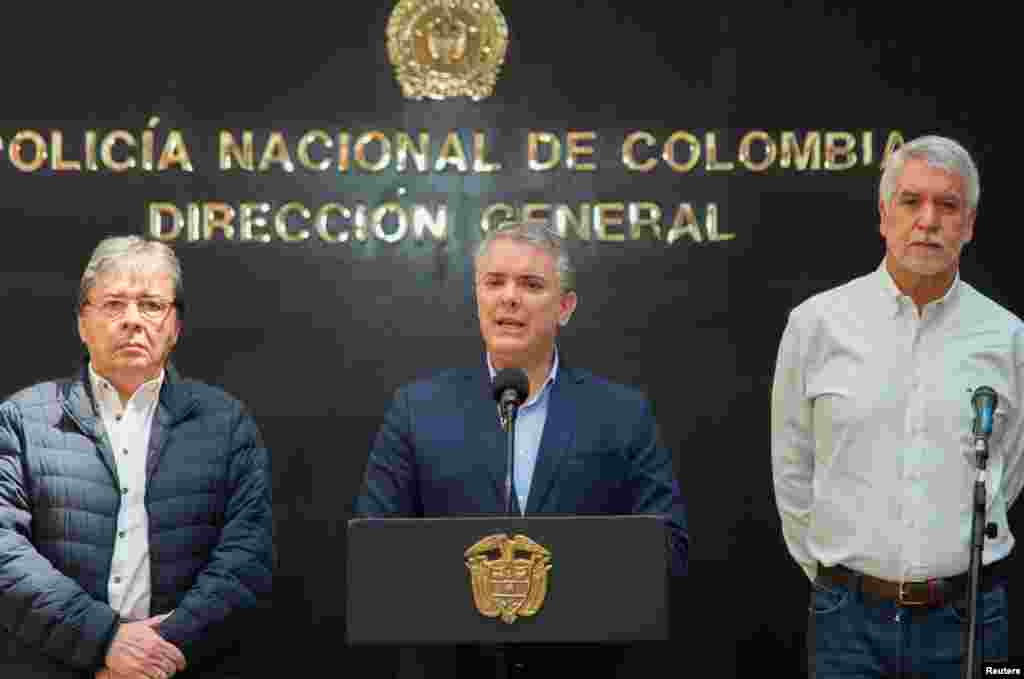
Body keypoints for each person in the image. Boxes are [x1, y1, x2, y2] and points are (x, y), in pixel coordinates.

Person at [355, 222, 688, 676]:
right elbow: (378, 555)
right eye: (495, 282)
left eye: (531, 285)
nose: (509, 298)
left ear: (565, 307)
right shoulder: (417, 410)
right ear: (478, 296)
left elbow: (669, 548)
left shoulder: (622, 415)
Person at [771, 135, 1020, 676]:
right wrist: (835, 572)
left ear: (969, 226)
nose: (927, 220)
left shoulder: (1007, 336)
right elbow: (792, 467)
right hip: (848, 617)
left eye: (947, 205)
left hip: (972, 613)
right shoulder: (817, 324)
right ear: (884, 216)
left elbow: (1008, 470)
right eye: (911, 202)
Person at [0, 236, 274, 679]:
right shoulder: (21, 421)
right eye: (113, 304)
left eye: (150, 305)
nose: (132, 320)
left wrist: (156, 655)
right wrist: (103, 641)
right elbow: (4, 553)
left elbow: (249, 555)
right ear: (82, 322)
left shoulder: (224, 423)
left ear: (176, 326)